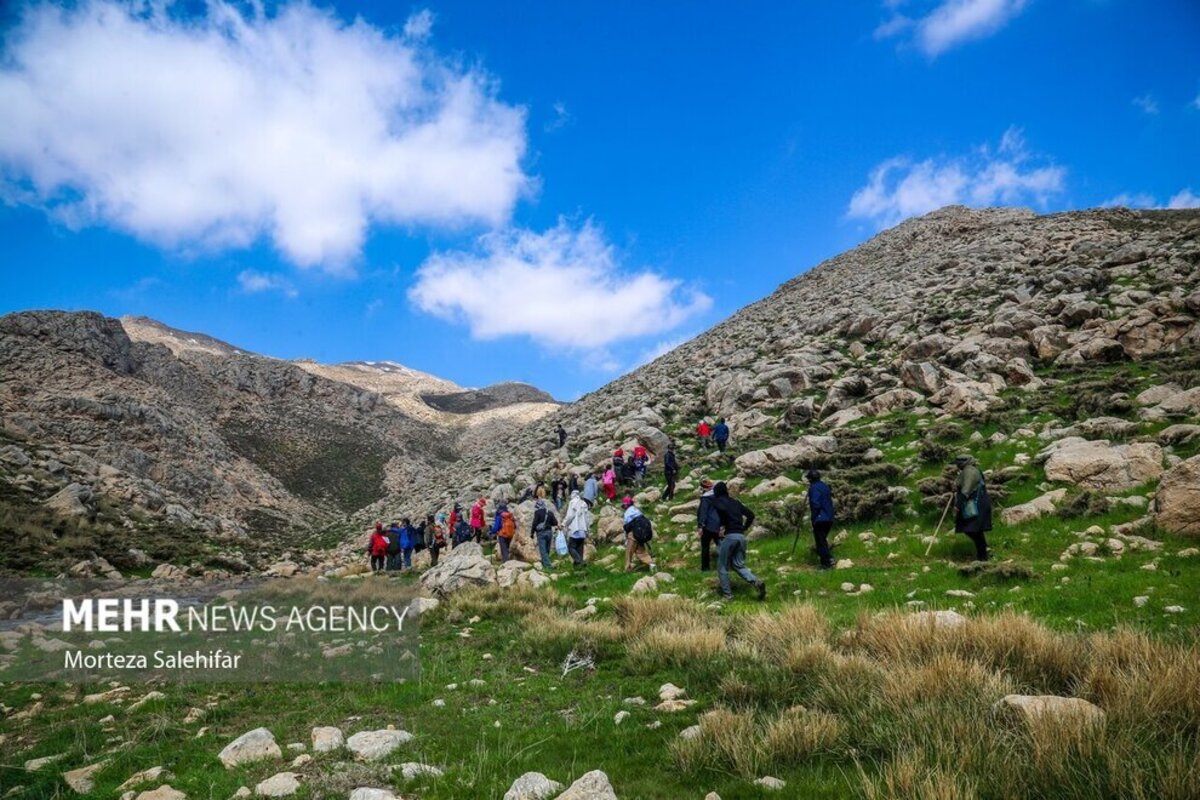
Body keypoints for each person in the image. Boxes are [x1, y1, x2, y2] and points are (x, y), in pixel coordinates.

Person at [711, 482, 766, 600]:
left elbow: (715, 516)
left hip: (730, 537)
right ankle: (756, 582)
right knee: (738, 565)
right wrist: (744, 528)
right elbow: (751, 515)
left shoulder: (718, 502)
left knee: (722, 567)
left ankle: (728, 595)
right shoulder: (735, 502)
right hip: (741, 537)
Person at [953, 455, 992, 561]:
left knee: (971, 529)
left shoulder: (969, 471)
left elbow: (966, 489)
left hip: (975, 504)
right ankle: (983, 552)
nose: (957, 466)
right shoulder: (973, 470)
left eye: (958, 464)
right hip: (980, 502)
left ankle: (983, 555)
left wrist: (958, 505)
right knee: (975, 530)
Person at [805, 469, 835, 569]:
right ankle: (828, 558)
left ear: (810, 479)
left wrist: (814, 517)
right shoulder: (824, 486)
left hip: (820, 518)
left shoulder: (814, 488)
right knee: (823, 539)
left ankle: (826, 563)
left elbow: (815, 503)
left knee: (820, 542)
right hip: (829, 517)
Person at [621, 496, 656, 572]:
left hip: (634, 533)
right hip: (644, 532)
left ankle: (627, 568)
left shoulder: (627, 513)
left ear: (626, 505)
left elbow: (626, 527)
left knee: (629, 551)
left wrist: (625, 540)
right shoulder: (636, 510)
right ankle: (651, 564)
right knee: (640, 550)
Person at [696, 480, 722, 571]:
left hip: (707, 526)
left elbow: (703, 513)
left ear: (704, 488)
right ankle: (724, 565)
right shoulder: (718, 496)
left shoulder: (705, 499)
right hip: (719, 525)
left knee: (705, 547)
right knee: (720, 545)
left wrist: (700, 526)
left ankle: (705, 568)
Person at [563, 489, 591, 567]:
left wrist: (564, 524)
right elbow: (587, 518)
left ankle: (580, 561)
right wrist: (587, 529)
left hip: (575, 528)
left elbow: (570, 516)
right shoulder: (584, 503)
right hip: (583, 529)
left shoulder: (572, 503)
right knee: (580, 548)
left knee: (571, 547)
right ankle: (579, 566)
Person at [531, 499, 559, 570]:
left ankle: (548, 567)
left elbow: (534, 523)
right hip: (549, 532)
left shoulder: (537, 512)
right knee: (547, 549)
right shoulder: (549, 512)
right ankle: (545, 562)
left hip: (541, 533)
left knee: (543, 550)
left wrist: (532, 533)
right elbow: (555, 522)